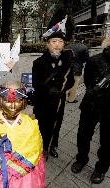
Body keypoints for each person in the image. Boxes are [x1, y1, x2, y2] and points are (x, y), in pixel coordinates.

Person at [71, 30, 110, 184]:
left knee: (108, 141)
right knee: (83, 134)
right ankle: (81, 159)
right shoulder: (95, 60)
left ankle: (101, 169)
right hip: (91, 105)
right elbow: (88, 82)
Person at [0, 81, 45, 188]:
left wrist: (12, 165)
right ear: (1, 101)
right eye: (8, 101)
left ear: (24, 102)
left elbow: (34, 149)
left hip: (23, 173)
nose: (12, 105)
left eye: (17, 101)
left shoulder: (31, 124)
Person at [32, 27, 75, 159]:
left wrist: (62, 90)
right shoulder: (38, 62)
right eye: (54, 41)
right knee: (41, 124)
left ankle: (52, 146)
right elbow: (34, 81)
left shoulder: (67, 62)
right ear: (48, 43)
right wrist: (48, 89)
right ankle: (41, 147)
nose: (57, 44)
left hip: (58, 100)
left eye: (60, 42)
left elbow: (71, 80)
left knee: (57, 123)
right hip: (42, 100)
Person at [66, 36, 89, 103]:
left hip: (67, 68)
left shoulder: (68, 46)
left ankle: (65, 97)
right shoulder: (84, 47)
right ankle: (70, 99)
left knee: (67, 83)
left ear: (75, 40)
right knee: (74, 84)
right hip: (77, 69)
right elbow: (86, 59)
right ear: (82, 40)